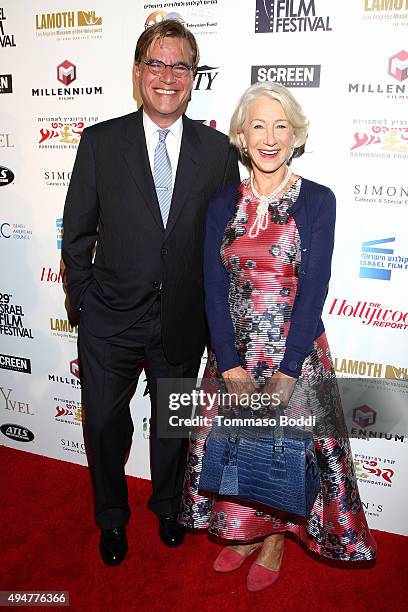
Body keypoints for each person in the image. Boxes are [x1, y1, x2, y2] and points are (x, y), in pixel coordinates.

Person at [180, 82, 376, 591]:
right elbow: (211, 284)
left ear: (296, 134)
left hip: (296, 355)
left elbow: (315, 290)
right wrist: (228, 363)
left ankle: (273, 541)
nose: (270, 137)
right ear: (242, 137)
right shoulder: (222, 203)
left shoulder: (318, 201)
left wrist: (290, 370)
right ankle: (246, 532)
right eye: (258, 126)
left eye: (281, 126)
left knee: (286, 452)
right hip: (236, 356)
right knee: (241, 450)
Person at [62, 19, 239, 566]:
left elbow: (221, 245)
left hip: (182, 323)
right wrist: (86, 305)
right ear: (138, 72)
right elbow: (77, 234)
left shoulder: (216, 151)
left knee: (173, 429)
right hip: (109, 321)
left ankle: (167, 506)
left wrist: (215, 322)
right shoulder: (100, 142)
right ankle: (112, 518)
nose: (168, 76)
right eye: (156, 64)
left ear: (194, 77)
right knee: (106, 428)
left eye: (180, 65)